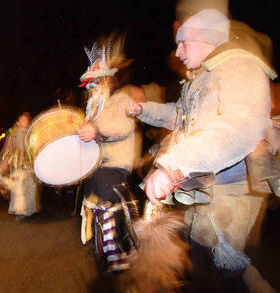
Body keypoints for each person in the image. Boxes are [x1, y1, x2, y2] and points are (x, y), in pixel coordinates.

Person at [128, 9, 277, 292]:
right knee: (211, 264)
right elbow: (178, 116)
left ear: (208, 39)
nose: (178, 52)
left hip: (231, 192)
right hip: (207, 187)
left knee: (217, 268)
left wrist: (175, 163)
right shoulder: (199, 78)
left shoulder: (240, 66)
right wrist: (144, 109)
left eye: (184, 43)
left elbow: (241, 125)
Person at [77, 34, 137, 273]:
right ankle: (106, 252)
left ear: (107, 81)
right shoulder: (95, 106)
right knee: (98, 207)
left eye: (96, 82)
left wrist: (96, 129)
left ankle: (119, 255)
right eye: (90, 83)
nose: (92, 87)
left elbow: (124, 128)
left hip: (115, 165)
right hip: (98, 167)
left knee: (110, 209)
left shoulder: (122, 99)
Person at [0, 112, 40, 220]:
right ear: (18, 122)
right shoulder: (13, 133)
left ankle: (28, 210)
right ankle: (19, 210)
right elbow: (8, 148)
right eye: (22, 120)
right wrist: (4, 161)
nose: (24, 122)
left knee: (29, 186)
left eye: (26, 120)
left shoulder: (31, 133)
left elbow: (35, 147)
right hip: (17, 163)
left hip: (29, 163)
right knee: (18, 186)